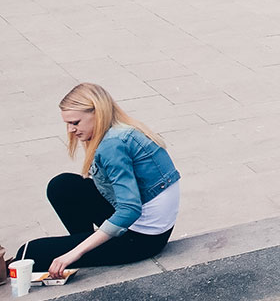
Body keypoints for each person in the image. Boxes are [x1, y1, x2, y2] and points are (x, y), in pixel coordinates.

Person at [14, 83, 181, 276]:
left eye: (75, 123)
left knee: (28, 253)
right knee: (62, 186)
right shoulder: (122, 130)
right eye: (67, 124)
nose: (70, 130)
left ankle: (86, 250)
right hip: (147, 224)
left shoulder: (112, 145)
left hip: (142, 239)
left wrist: (73, 253)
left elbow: (129, 210)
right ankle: (91, 246)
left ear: (98, 113)